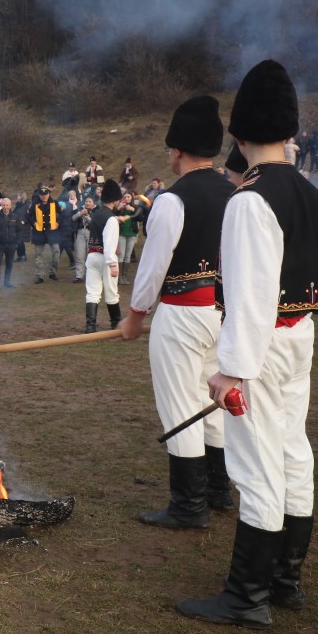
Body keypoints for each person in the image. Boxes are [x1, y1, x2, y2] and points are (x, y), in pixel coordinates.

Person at [176, 61, 317, 628]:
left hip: (260, 349)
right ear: (289, 131)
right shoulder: (309, 192)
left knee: (259, 462)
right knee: (293, 453)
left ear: (238, 136)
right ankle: (285, 579)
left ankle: (247, 595)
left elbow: (253, 296)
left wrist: (231, 370)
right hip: (299, 337)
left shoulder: (251, 200)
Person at [118, 95, 236, 532]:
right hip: (223, 314)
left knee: (181, 405)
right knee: (213, 401)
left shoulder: (172, 200)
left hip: (183, 313)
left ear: (179, 151)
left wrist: (135, 315)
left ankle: (189, 506)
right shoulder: (237, 193)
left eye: (170, 149)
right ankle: (219, 490)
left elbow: (153, 267)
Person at [83, 179, 123, 332]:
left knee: (92, 292)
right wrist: (113, 264)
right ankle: (116, 324)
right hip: (105, 259)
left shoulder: (97, 213)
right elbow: (109, 245)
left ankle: (90, 326)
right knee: (112, 293)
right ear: (114, 200)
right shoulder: (111, 219)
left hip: (92, 257)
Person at [28, 187, 63, 283]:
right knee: (38, 254)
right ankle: (40, 276)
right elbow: (28, 215)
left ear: (49, 194)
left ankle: (53, 272)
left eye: (46, 194)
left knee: (56, 252)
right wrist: (33, 223)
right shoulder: (35, 204)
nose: (44, 196)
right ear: (39, 195)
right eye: (42, 195)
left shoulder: (54, 203)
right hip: (39, 231)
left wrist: (58, 223)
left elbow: (62, 214)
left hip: (52, 230)